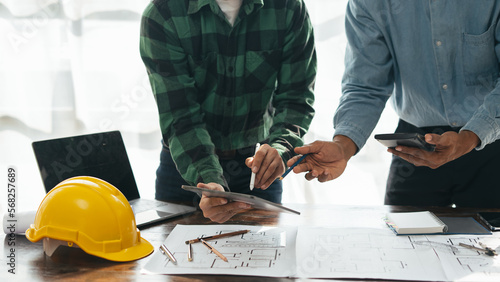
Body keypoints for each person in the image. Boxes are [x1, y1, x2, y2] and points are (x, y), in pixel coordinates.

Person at [289, 0, 500, 208]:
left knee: (489, 239)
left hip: (491, 138)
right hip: (415, 146)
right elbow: (365, 86)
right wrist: (343, 147)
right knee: (401, 236)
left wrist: (469, 137)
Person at [139, 0, 316, 222]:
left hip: (259, 169)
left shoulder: (288, 7)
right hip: (186, 163)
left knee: (263, 255)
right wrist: (210, 180)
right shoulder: (163, 14)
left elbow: (296, 98)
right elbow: (180, 116)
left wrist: (281, 149)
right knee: (178, 252)